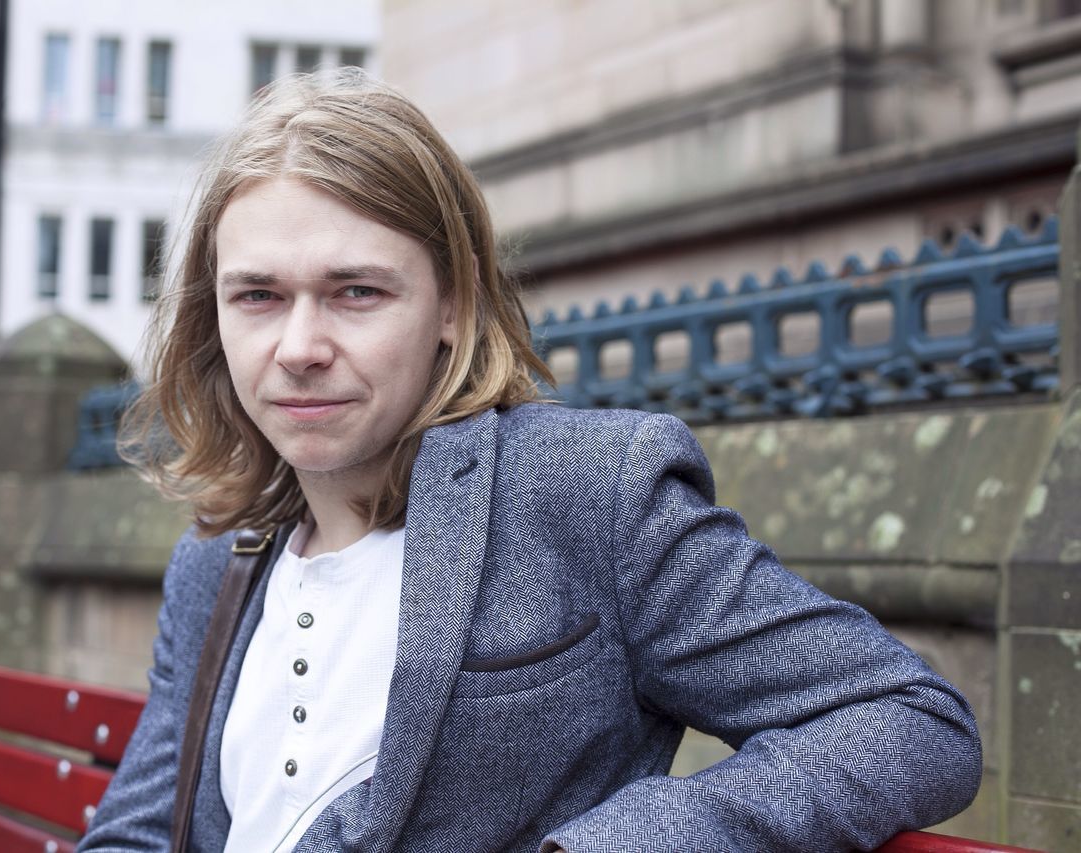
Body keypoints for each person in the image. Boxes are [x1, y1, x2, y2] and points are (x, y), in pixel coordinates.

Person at [78, 69, 981, 853]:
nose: (300, 344)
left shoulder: (586, 492)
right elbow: (137, 829)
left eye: (356, 291)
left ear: (451, 305)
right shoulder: (217, 562)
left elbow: (906, 718)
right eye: (260, 297)